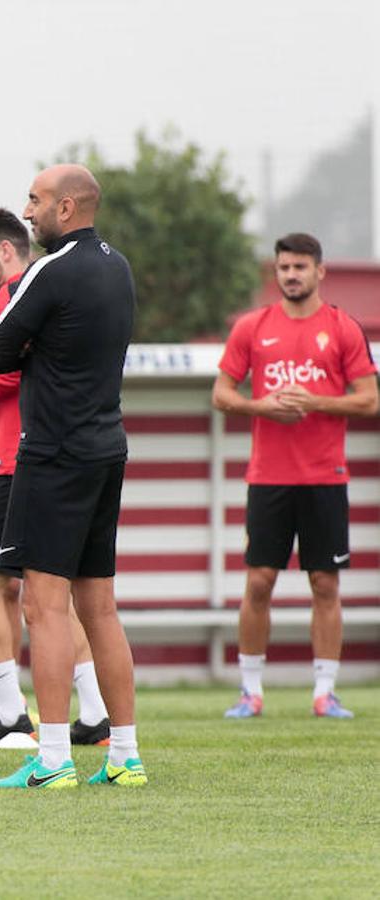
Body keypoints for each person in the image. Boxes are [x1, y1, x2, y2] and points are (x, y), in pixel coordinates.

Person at [0, 164, 144, 789]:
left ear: (68, 207)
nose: (27, 211)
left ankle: (52, 759)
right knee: (99, 606)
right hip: (107, 448)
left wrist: (29, 346)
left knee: (43, 606)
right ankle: (124, 755)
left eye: (36, 200)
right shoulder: (118, 267)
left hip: (53, 454)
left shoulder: (49, 271)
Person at [0, 208, 112, 748]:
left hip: (18, 459)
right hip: (58, 453)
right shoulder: (69, 284)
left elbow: (11, 362)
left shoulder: (19, 292)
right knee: (57, 597)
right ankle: (94, 713)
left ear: (5, 252)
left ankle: (11, 713)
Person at [213, 233, 378, 719]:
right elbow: (222, 394)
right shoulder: (253, 327)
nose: (291, 275)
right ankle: (250, 692)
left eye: (300, 267)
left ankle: (325, 693)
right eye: (284, 267)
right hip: (269, 477)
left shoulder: (343, 328)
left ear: (319, 272)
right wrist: (258, 405)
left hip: (326, 478)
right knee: (259, 581)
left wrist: (316, 401)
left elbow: (369, 399)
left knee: (324, 583)